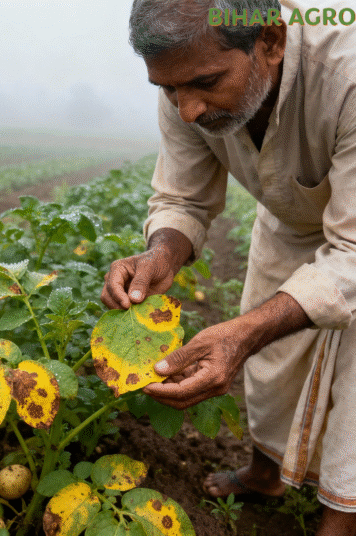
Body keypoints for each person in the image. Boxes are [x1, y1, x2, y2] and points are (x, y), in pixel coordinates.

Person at [105, 1, 356, 534]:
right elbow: (184, 198)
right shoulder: (184, 81)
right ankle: (267, 475)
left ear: (271, 40)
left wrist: (241, 335)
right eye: (169, 90)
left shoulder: (346, 71)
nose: (187, 110)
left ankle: (342, 515)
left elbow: (352, 255)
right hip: (291, 217)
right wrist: (161, 254)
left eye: (204, 84)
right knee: (270, 365)